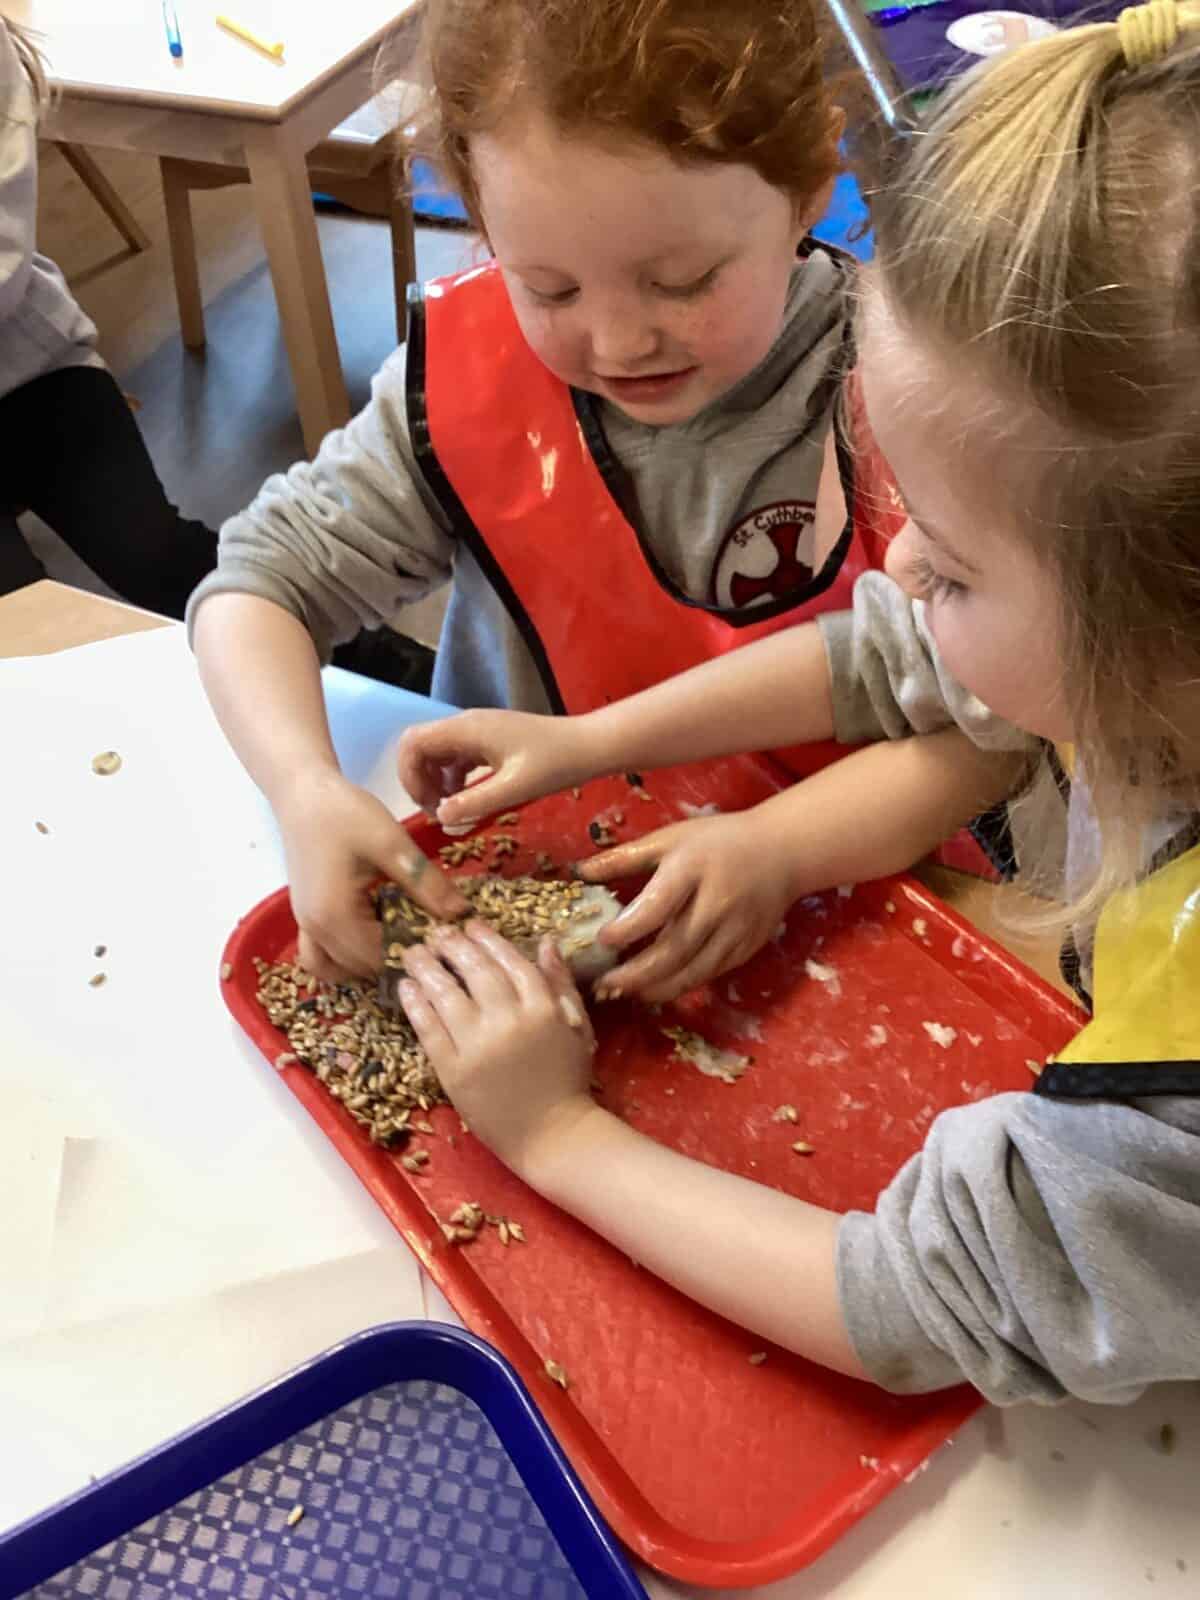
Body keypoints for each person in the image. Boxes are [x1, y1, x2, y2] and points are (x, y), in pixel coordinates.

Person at [394, 1, 1200, 1402]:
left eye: (953, 567)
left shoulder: (1171, 1100)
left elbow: (916, 1304)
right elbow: (886, 657)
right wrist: (589, 743)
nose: (899, 563)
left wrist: (552, 1136)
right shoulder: (1140, 669)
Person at [190, 0, 1024, 972]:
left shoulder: (913, 391)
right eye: (550, 287)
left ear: (808, 187)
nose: (622, 342)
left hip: (847, 910)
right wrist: (302, 788)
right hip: (534, 912)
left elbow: (995, 722)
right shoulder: (466, 381)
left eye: (683, 280)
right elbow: (258, 584)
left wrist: (783, 846)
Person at [0, 18, 217, 619]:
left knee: (160, 559)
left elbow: (4, 263)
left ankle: (382, 660)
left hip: (31, 373)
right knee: (25, 620)